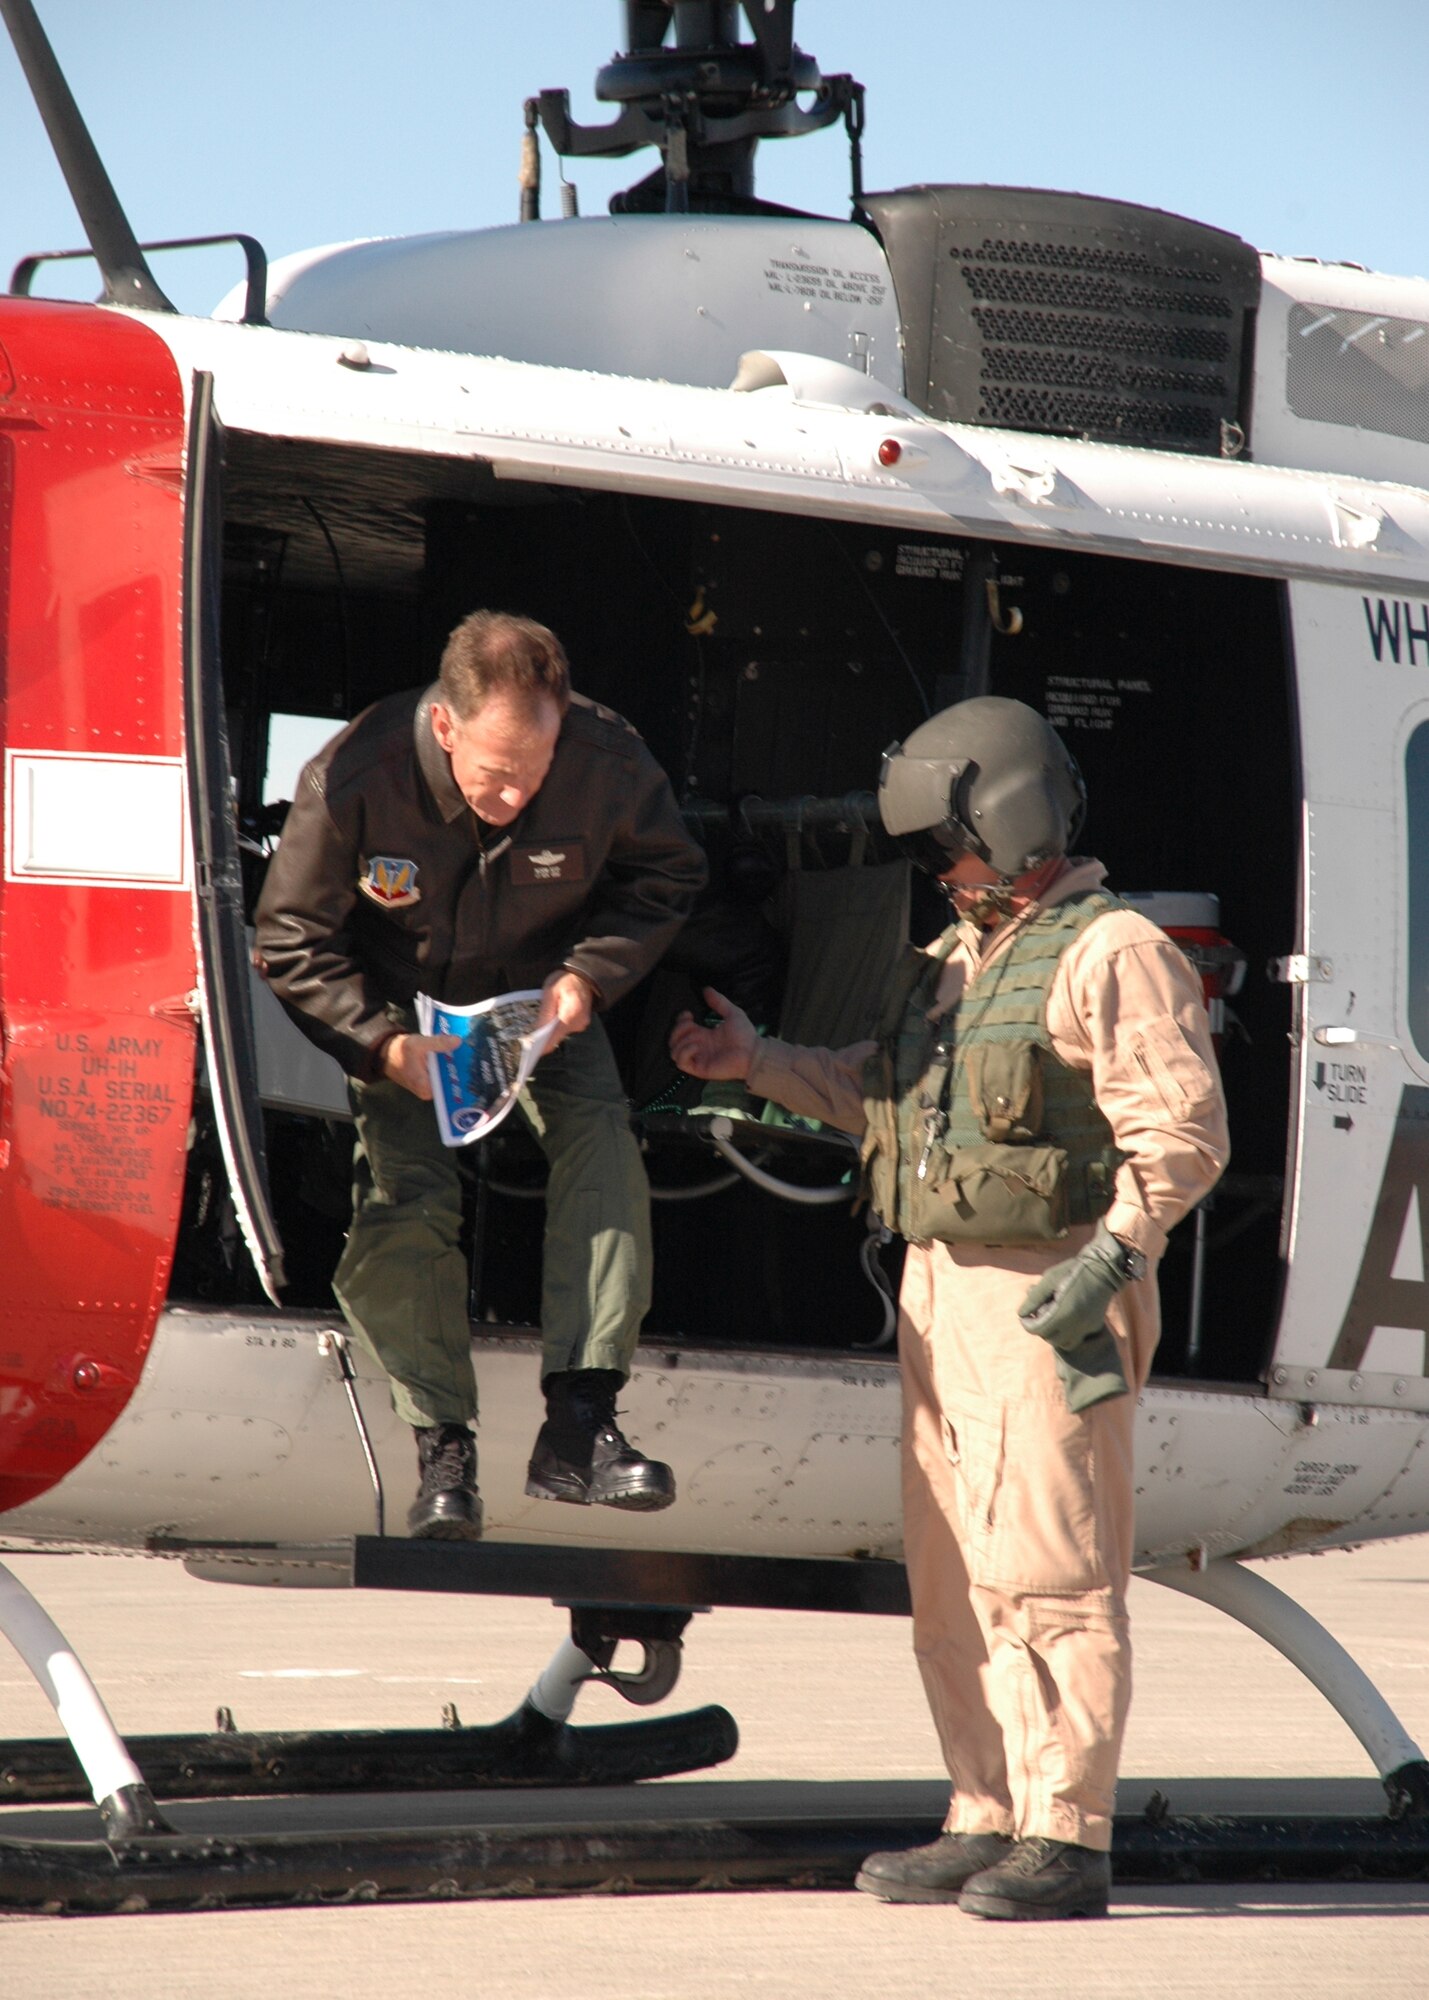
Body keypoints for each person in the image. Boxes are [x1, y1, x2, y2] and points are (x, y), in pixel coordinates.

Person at [670, 695, 1228, 1921]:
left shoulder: (1111, 950)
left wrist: (1110, 1264)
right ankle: (984, 1806)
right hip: (941, 1293)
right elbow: (885, 1095)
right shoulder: (956, 958)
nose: (940, 867)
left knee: (1049, 1563)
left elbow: (1182, 1137)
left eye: (950, 843)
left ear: (1012, 821)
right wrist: (756, 1060)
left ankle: (1065, 1829)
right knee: (956, 1571)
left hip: (1048, 1290)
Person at [256, 610, 707, 1540]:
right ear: (444, 726)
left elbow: (664, 878)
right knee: (406, 1196)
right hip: (400, 1013)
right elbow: (290, 937)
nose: (513, 795)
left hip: (544, 1001)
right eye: (494, 773)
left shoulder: (608, 762)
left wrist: (589, 976)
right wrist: (380, 1045)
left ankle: (581, 1420)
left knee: (603, 1147)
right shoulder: (354, 775)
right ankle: (442, 1449)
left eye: (534, 771)